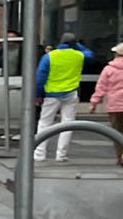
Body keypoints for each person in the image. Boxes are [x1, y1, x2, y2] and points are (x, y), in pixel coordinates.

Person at [35, 32, 96, 163]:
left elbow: (40, 77)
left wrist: (38, 94)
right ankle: (61, 155)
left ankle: (39, 154)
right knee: (67, 124)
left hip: (51, 94)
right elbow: (90, 54)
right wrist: (77, 45)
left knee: (44, 123)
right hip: (71, 92)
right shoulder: (79, 55)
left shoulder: (49, 56)